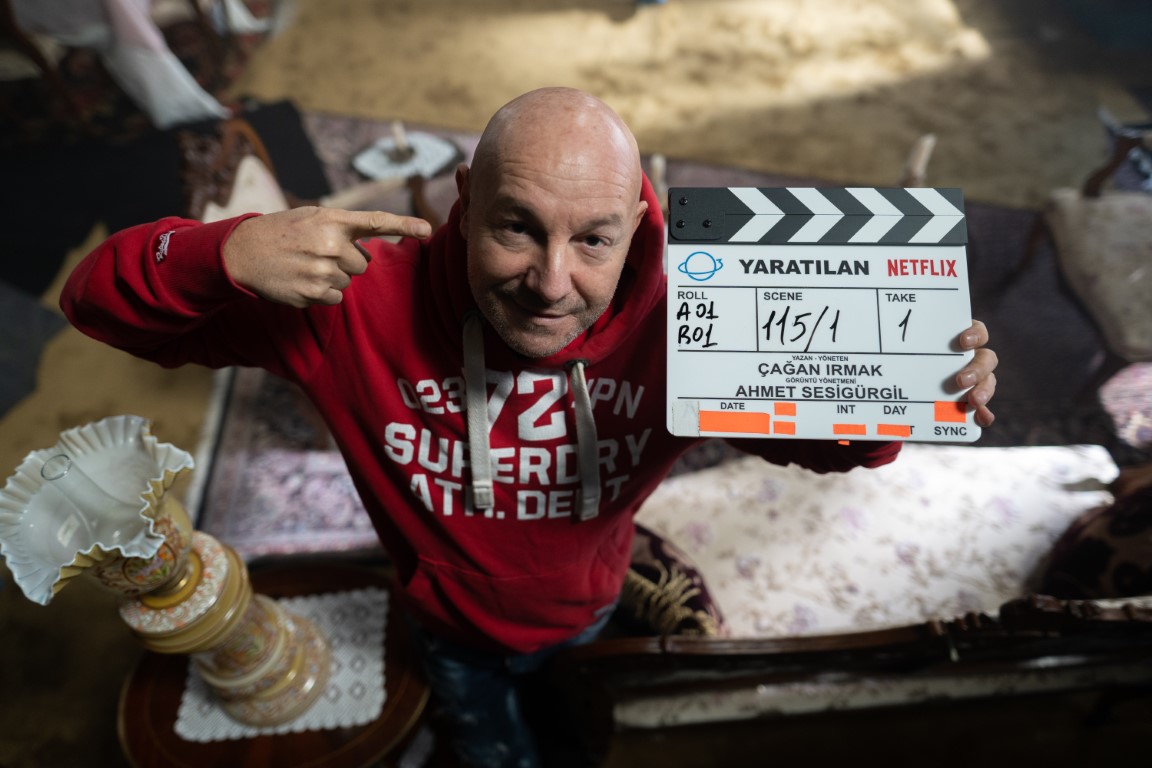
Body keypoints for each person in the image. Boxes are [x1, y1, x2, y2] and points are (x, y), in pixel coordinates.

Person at [61, 87, 999, 767]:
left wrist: (916, 382)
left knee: (586, 733)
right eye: (516, 227)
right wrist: (220, 252)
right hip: (446, 627)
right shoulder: (352, 301)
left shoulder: (699, 320)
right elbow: (95, 303)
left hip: (594, 604)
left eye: (593, 239)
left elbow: (842, 448)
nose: (552, 283)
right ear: (465, 199)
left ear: (636, 222)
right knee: (490, 749)